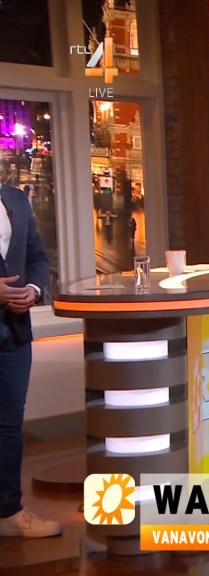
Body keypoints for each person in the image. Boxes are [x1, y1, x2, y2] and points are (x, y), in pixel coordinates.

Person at [0, 183, 61, 538]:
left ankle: (8, 511)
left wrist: (34, 290)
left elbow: (37, 256)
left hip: (14, 332)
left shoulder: (16, 199)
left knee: (8, 426)